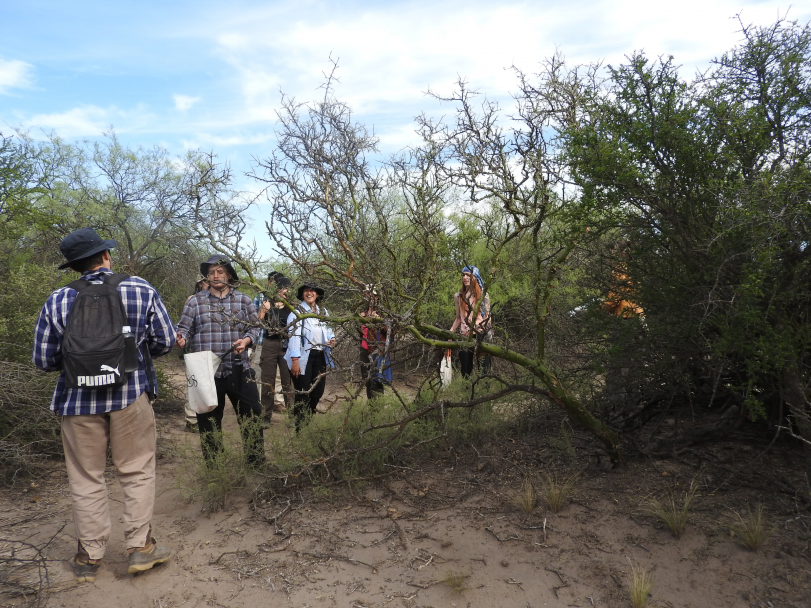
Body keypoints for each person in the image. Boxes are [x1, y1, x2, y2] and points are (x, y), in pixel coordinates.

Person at [32, 228, 175, 583]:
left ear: (75, 266)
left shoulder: (57, 299)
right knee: (137, 470)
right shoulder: (140, 288)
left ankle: (89, 556)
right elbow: (165, 341)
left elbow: (44, 359)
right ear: (106, 256)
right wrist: (134, 357)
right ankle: (140, 548)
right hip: (130, 396)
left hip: (76, 402)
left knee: (86, 477)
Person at [175, 255, 264, 466]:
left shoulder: (243, 300)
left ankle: (256, 464)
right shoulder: (196, 302)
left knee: (252, 416)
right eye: (212, 272)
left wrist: (247, 340)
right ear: (207, 276)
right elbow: (185, 328)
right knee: (209, 422)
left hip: (239, 368)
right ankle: (215, 468)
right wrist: (181, 338)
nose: (215, 276)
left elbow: (256, 328)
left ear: (229, 275)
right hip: (207, 373)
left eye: (220, 271)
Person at [284, 282, 335, 432]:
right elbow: (293, 337)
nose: (309, 293)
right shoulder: (296, 312)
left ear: (317, 294)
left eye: (312, 291)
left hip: (320, 355)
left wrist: (332, 339)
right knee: (303, 393)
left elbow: (329, 330)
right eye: (306, 291)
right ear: (302, 294)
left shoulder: (323, 312)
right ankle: (301, 429)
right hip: (302, 357)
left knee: (317, 391)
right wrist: (294, 361)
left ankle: (308, 421)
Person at [254, 272, 294, 420]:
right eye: (284, 288)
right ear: (277, 289)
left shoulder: (292, 306)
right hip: (269, 344)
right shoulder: (267, 303)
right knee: (267, 381)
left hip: (287, 346)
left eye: (288, 289)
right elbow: (258, 323)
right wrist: (263, 311)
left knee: (287, 383)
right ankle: (265, 416)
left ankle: (293, 416)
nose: (286, 291)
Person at [449, 265, 492, 377]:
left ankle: (484, 392)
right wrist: (451, 332)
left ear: (475, 277)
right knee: (465, 368)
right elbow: (459, 318)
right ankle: (466, 392)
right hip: (465, 335)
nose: (465, 277)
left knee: (484, 367)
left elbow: (488, 318)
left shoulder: (483, 295)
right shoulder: (458, 296)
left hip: (481, 334)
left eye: (468, 275)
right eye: (463, 275)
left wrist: (480, 328)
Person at [180, 279, 207, 433]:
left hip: (211, 349)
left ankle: (205, 418)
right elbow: (186, 325)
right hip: (195, 348)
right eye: (204, 282)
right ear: (200, 284)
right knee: (194, 384)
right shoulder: (192, 299)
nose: (208, 285)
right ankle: (192, 420)